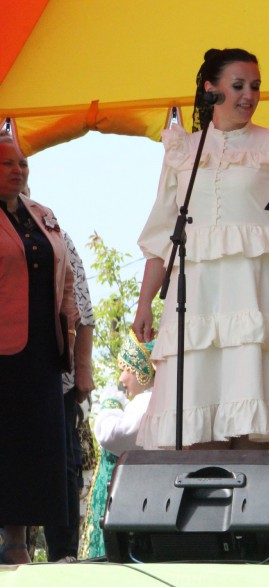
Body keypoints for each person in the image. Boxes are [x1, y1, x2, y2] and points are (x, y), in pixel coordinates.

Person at [132, 48, 269, 450]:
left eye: (255, 86)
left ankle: (253, 488)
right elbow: (161, 234)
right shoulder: (183, 150)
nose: (249, 95)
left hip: (256, 292)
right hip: (199, 296)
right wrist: (144, 303)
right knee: (198, 422)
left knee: (251, 422)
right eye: (238, 85)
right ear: (211, 89)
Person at [0, 134, 80, 564]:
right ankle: (12, 544)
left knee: (38, 447)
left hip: (42, 349)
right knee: (6, 445)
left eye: (23, 164)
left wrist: (68, 333)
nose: (18, 170)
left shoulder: (42, 215)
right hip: (2, 351)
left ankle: (22, 544)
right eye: (7, 164)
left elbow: (66, 280)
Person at [43, 228, 96, 561]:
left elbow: (83, 309)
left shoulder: (52, 231)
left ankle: (63, 557)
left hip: (54, 376)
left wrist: (83, 368)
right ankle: (13, 547)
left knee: (63, 466)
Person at [80, 330, 156, 559]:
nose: (122, 378)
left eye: (126, 369)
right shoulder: (146, 402)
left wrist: (110, 405)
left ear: (142, 372)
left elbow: (111, 435)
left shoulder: (147, 402)